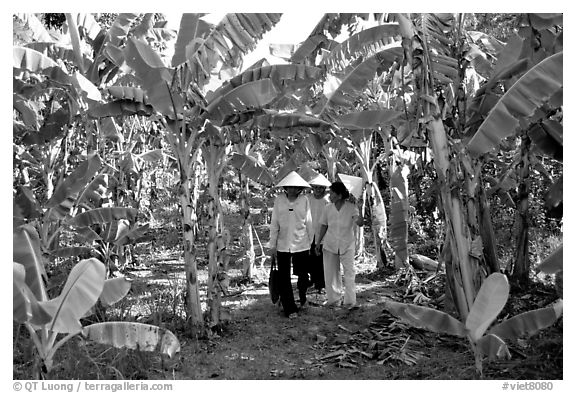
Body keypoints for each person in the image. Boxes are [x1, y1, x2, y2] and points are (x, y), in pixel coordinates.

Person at [268, 171, 314, 319]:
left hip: (302, 243)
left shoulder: (304, 200)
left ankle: (303, 298)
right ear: (285, 188)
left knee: (302, 275)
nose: (293, 190)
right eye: (290, 187)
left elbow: (309, 222)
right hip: (282, 243)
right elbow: (274, 223)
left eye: (295, 187)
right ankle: (289, 307)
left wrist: (311, 241)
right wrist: (272, 245)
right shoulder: (279, 200)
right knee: (283, 277)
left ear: (299, 188)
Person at [315, 181, 363, 310]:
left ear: (340, 195)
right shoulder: (327, 208)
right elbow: (324, 225)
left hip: (347, 243)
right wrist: (318, 242)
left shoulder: (351, 207)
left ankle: (350, 301)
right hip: (330, 243)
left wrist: (361, 208)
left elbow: (360, 223)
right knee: (330, 272)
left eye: (332, 193)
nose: (329, 195)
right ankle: (333, 299)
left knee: (349, 272)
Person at [305, 173, 331, 296]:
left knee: (320, 259)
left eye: (321, 188)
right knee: (310, 260)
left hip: (322, 233)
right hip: (309, 232)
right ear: (312, 188)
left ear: (324, 189)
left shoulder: (327, 201)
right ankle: (313, 280)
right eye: (316, 187)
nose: (318, 190)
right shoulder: (307, 199)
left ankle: (321, 284)